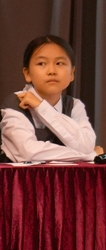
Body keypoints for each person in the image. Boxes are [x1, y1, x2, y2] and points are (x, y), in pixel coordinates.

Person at [1, 34, 97, 163]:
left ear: (72, 73)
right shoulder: (15, 103)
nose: (52, 71)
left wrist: (41, 107)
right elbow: (28, 153)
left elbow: (86, 145)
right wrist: (90, 156)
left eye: (59, 63)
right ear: (27, 73)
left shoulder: (74, 105)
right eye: (42, 63)